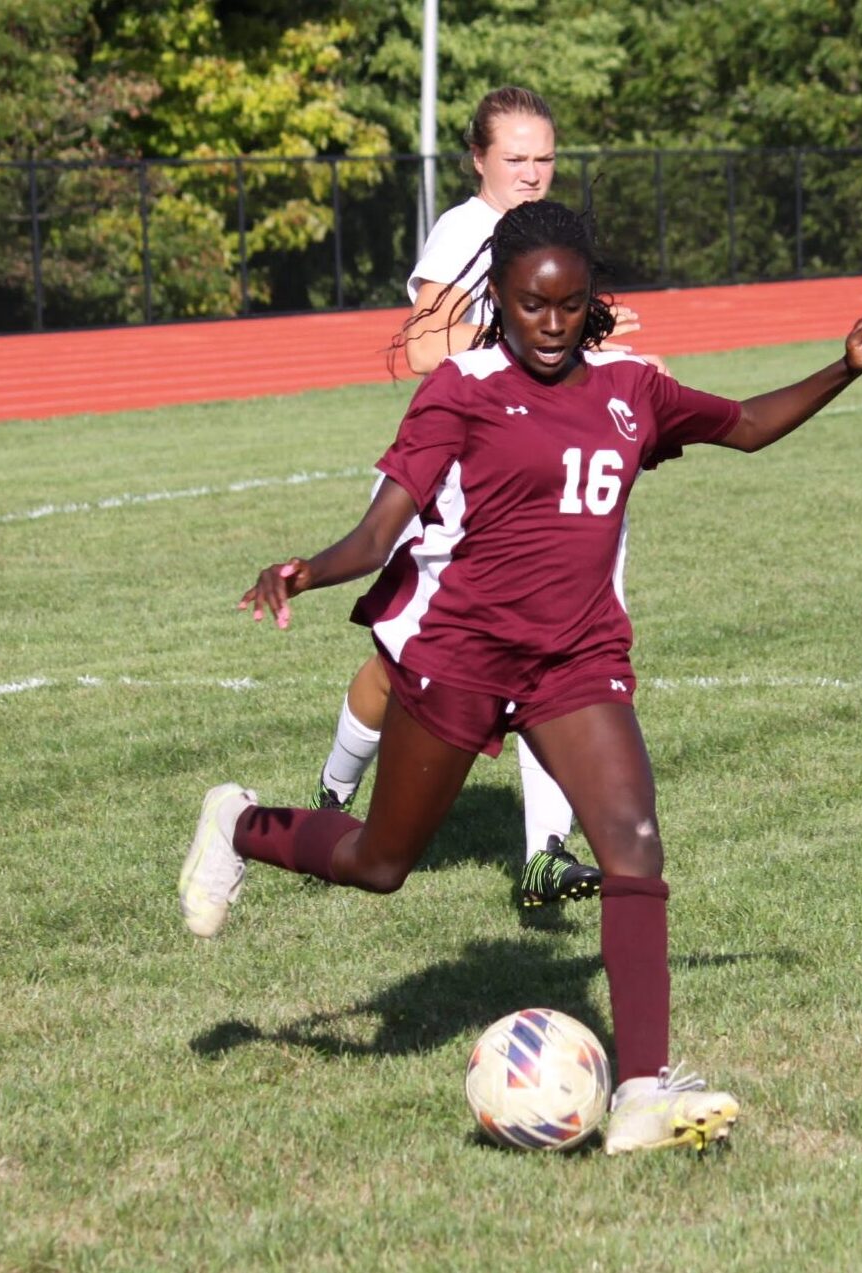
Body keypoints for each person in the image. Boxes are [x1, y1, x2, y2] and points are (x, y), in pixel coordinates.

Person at [184, 198, 862, 1154]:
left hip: (576, 660)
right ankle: (238, 820)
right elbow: (382, 526)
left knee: (633, 842)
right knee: (380, 862)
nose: (553, 324)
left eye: (570, 306)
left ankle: (644, 1090)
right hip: (464, 656)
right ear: (499, 297)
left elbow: (743, 425)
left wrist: (844, 369)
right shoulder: (460, 388)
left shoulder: (629, 388)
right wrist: (309, 569)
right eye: (533, 305)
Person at [319, 86, 654, 909]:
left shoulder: (551, 234)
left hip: (544, 478)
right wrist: (517, 322)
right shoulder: (465, 230)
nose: (533, 173)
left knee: (559, 651)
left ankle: (544, 852)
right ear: (479, 160)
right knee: (397, 663)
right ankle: (332, 792)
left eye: (543, 158)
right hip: (455, 483)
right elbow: (425, 341)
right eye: (516, 158)